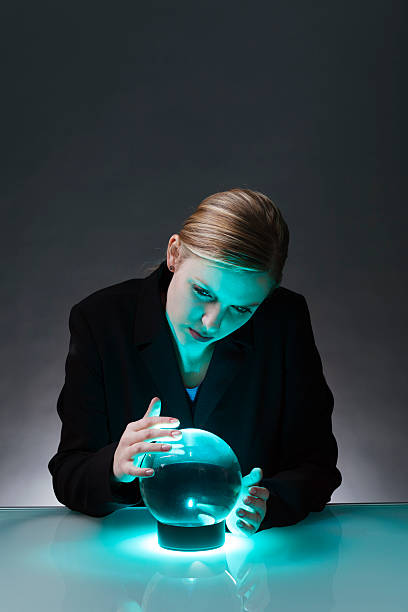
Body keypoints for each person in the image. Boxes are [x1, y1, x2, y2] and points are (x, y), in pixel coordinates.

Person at [48, 187, 342, 536]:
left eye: (242, 309)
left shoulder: (283, 321)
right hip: (128, 578)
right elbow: (69, 475)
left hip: (256, 572)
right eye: (203, 292)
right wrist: (115, 465)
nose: (212, 323)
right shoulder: (100, 321)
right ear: (174, 254)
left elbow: (317, 466)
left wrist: (268, 502)